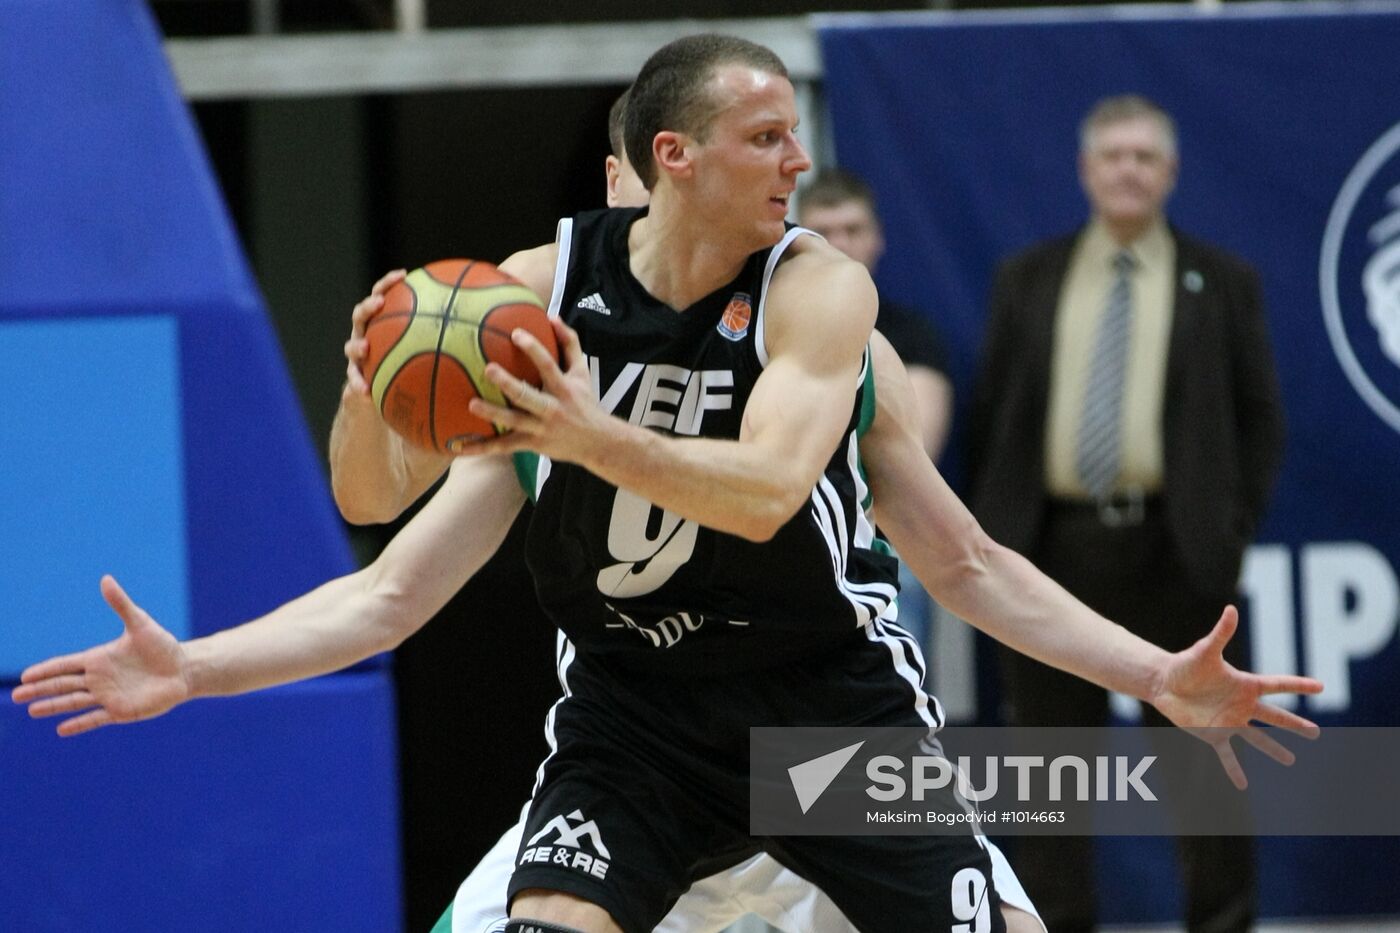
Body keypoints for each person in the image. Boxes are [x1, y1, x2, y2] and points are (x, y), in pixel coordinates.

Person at [15, 45, 1316, 933]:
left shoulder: (818, 310)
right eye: (763, 142)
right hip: (637, 734)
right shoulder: (530, 322)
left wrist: (1152, 674)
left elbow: (924, 552)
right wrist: (201, 655)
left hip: (828, 734)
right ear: (647, 170)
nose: (793, 169)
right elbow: (383, 567)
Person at [969, 94, 1286, 933]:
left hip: (1176, 556)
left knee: (1207, 771)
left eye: (1145, 156)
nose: (1128, 169)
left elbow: (1261, 419)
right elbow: (993, 413)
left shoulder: (1222, 280)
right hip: (1049, 556)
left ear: (1170, 173)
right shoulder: (1026, 277)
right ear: (1085, 169)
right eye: (1113, 155)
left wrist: (1225, 529)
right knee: (1049, 781)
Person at [796, 168, 954, 667]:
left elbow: (915, 449)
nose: (839, 244)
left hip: (882, 532)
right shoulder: (770, 324)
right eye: (824, 232)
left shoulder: (908, 333)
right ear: (795, 238)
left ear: (877, 238)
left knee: (891, 686)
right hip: (786, 529)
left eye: (852, 230)